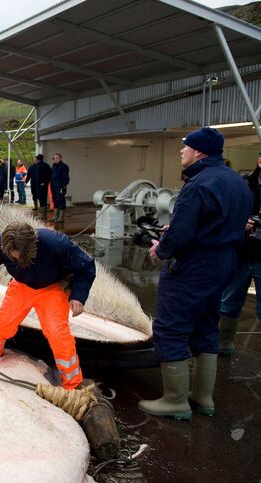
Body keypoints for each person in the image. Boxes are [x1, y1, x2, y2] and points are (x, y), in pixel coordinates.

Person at [138, 127, 252, 420]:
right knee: (205, 324)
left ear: (199, 151)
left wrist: (161, 248)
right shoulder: (237, 182)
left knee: (171, 327)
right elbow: (225, 223)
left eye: (185, 147)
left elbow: (182, 234)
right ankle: (203, 397)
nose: (181, 151)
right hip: (224, 261)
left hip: (194, 265)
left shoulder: (198, 184)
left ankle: (175, 400)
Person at [0, 221, 95, 389]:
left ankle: (72, 384)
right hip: (21, 286)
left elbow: (86, 266)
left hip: (53, 287)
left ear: (33, 246)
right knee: (1, 323)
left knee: (57, 333)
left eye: (22, 257)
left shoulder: (56, 243)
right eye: (13, 257)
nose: (18, 260)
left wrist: (78, 296)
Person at [218, 152, 261, 355]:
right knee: (230, 301)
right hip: (242, 254)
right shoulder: (242, 184)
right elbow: (224, 213)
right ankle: (223, 345)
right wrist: (240, 222)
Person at [50, 153, 70, 222]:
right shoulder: (53, 166)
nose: (55, 159)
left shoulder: (64, 167)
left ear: (60, 158)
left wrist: (64, 186)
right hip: (53, 186)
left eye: (56, 158)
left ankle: (61, 218)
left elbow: (66, 177)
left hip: (60, 187)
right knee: (55, 200)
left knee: (61, 201)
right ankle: (55, 216)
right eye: (54, 158)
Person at [30, 154, 51, 219]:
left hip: (39, 185)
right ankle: (43, 215)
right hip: (45, 185)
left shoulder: (38, 166)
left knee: (41, 200)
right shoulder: (47, 165)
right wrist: (45, 182)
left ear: (38, 159)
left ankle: (42, 215)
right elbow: (49, 175)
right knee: (44, 199)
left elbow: (38, 176)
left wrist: (39, 183)